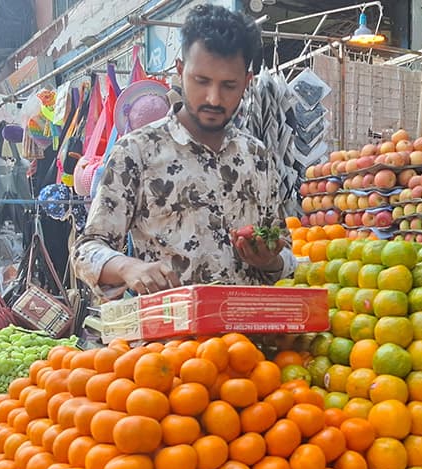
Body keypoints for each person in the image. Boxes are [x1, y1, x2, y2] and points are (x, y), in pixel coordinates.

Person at [72, 4, 295, 299]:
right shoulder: (137, 151)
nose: (214, 98)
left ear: (247, 83)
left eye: (229, 85)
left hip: (250, 340)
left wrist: (270, 260)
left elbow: (286, 252)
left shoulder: (257, 156)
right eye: (201, 81)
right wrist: (128, 267)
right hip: (170, 342)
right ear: (180, 71)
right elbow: (87, 250)